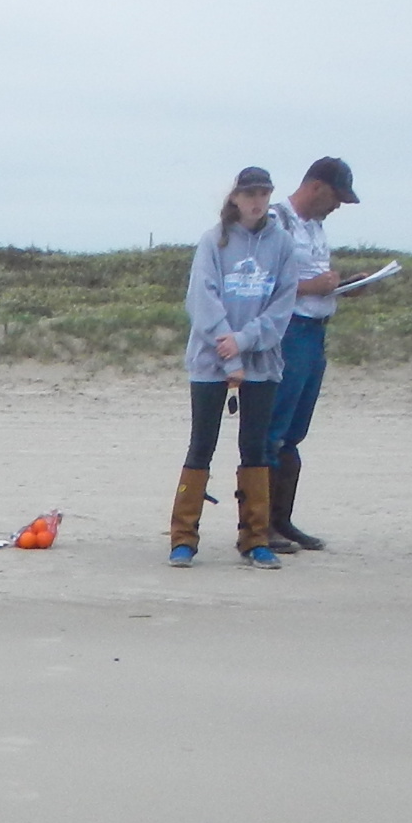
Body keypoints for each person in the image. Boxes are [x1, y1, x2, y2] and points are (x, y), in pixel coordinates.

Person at [170, 167, 301, 567]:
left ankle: (254, 538)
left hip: (262, 360)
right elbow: (202, 299)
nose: (256, 201)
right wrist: (227, 350)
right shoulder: (213, 241)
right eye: (249, 194)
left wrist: (243, 343)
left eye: (263, 194)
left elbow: (282, 307)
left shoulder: (282, 245)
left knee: (256, 446)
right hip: (210, 358)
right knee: (202, 443)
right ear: (235, 198)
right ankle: (183, 538)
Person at [263, 158, 358, 550]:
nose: (337, 206)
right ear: (317, 186)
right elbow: (261, 280)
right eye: (335, 197)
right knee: (272, 428)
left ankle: (281, 519)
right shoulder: (275, 222)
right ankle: (258, 522)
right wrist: (310, 286)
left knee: (294, 432)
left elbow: (316, 282)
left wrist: (343, 287)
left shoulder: (316, 228)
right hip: (287, 332)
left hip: (316, 333)